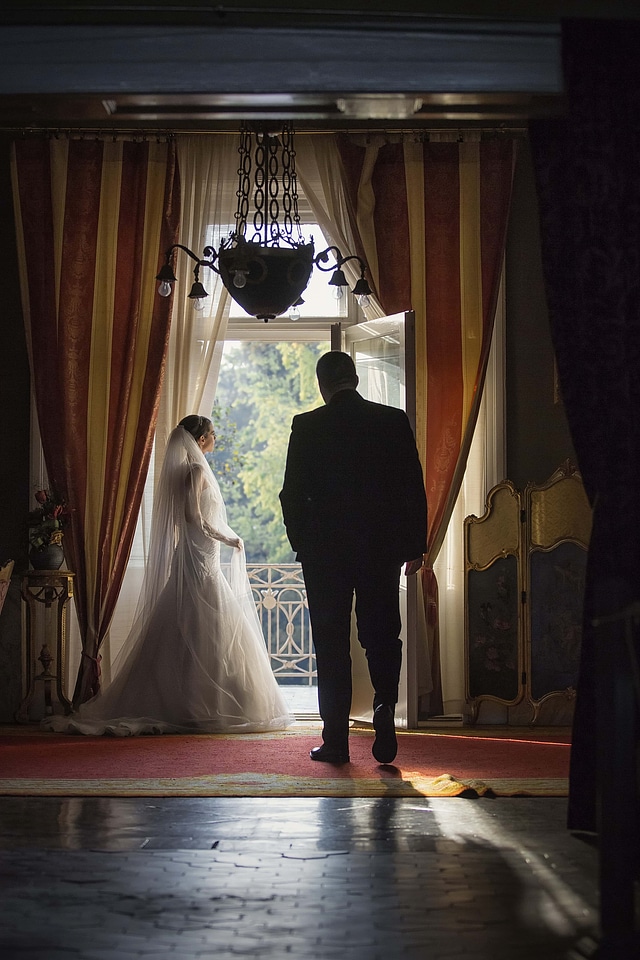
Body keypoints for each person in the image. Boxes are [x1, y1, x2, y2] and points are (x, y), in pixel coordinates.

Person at [45, 415, 293, 736]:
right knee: (204, 622)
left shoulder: (183, 472)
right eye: (212, 434)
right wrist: (228, 538)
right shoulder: (196, 471)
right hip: (199, 556)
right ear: (201, 440)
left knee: (193, 622)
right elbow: (194, 517)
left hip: (197, 555)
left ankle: (193, 698)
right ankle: (198, 702)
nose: (215, 439)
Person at [279, 351, 427, 765]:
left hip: (325, 554)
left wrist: (302, 542)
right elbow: (411, 488)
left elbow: (291, 494)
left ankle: (337, 740)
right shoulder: (392, 421)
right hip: (380, 549)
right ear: (356, 380)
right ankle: (383, 708)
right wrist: (414, 546)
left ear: (322, 385)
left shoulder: (307, 427)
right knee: (381, 635)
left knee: (331, 644)